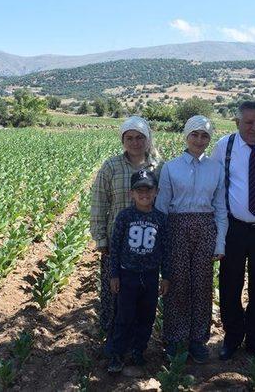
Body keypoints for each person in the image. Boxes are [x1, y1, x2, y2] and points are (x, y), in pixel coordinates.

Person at [211, 101, 255, 360]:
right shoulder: (224, 147)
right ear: (237, 123)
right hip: (234, 228)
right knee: (230, 284)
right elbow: (216, 185)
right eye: (249, 122)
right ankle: (232, 337)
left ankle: (254, 338)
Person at [155, 115, 227, 363]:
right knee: (176, 283)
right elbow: (162, 207)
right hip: (176, 226)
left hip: (206, 227)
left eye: (204, 135)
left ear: (210, 139)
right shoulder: (171, 168)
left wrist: (220, 243)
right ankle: (175, 339)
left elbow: (219, 208)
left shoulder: (216, 169)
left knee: (202, 284)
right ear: (186, 136)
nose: (199, 139)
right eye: (194, 134)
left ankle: (197, 339)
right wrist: (161, 241)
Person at [90, 116, 162, 346]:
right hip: (117, 243)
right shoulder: (111, 166)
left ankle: (137, 345)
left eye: (140, 137)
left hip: (147, 245)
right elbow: (99, 203)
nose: (135, 142)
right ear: (123, 140)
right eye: (129, 138)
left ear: (148, 139)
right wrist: (101, 238)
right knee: (114, 294)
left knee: (142, 297)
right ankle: (113, 342)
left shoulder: (158, 166)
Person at [107, 170, 170, 373]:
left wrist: (165, 276)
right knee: (124, 317)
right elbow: (115, 248)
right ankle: (117, 353)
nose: (144, 194)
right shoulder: (125, 216)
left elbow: (166, 250)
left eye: (148, 190)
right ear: (131, 193)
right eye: (139, 190)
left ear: (156, 192)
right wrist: (114, 274)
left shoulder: (161, 218)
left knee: (147, 316)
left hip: (151, 276)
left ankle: (138, 351)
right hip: (128, 276)